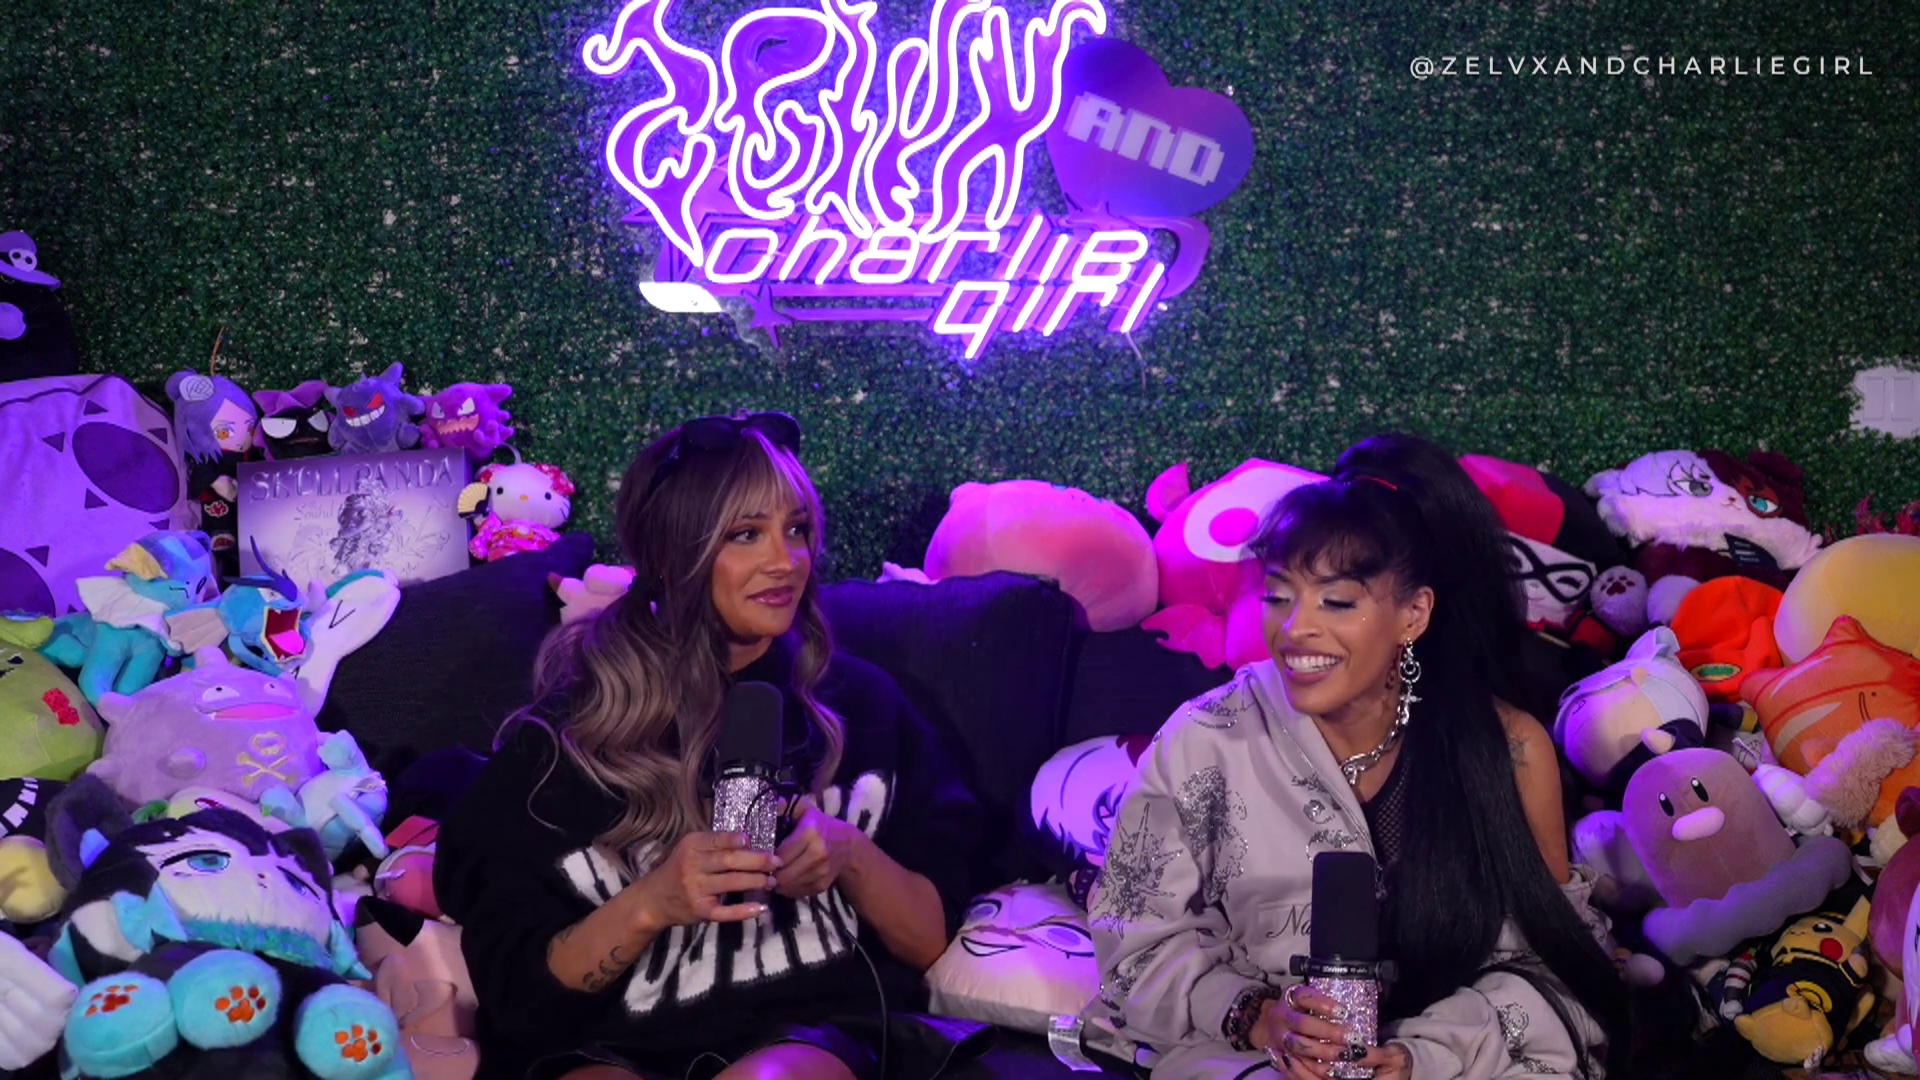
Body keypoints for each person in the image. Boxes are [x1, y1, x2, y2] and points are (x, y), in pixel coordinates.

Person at [435, 412, 991, 1080]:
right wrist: (650, 903)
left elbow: (931, 941)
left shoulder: (862, 704)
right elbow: (518, 999)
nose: (785, 561)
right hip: (609, 1041)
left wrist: (847, 852)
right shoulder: (563, 742)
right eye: (746, 534)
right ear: (672, 554)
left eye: (796, 529)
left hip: (807, 1035)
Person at [1089, 439, 1634, 1080]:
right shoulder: (1205, 738)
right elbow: (1132, 945)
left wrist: (1419, 1058)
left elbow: (1554, 969)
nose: (1295, 628)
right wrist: (1256, 1016)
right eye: (1278, 596)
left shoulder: (1507, 748)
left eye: (1337, 602)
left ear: (1413, 614)